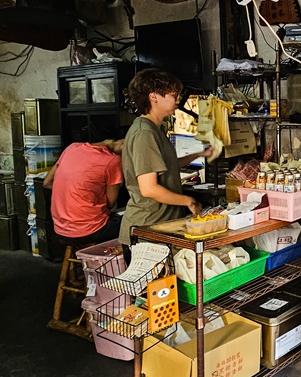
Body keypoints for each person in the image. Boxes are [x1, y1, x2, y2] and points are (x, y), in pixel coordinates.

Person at [119, 68, 213, 249]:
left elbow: (168, 166)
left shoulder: (156, 129)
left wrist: (199, 154)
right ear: (154, 96)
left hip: (162, 226)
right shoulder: (144, 133)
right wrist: (188, 200)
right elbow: (149, 189)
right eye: (173, 95)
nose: (178, 100)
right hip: (147, 230)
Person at [43, 138, 125, 245]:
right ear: (123, 143)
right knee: (137, 224)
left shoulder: (72, 148)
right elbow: (109, 204)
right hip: (90, 230)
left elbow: (47, 183)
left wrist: (72, 194)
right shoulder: (113, 160)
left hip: (60, 229)